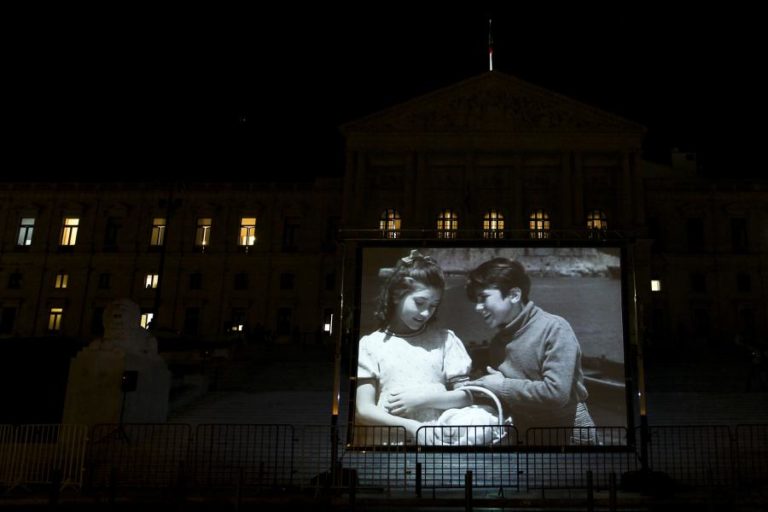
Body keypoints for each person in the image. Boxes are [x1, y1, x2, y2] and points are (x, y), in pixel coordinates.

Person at [355, 250, 500, 445]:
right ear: (397, 296)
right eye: (420, 302)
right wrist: (412, 427)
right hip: (388, 444)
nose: (425, 313)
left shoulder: (445, 340)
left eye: (433, 305)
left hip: (437, 442)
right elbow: (364, 410)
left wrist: (422, 399)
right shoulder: (370, 345)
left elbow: (466, 396)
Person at [465, 257, 596, 444]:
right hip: (526, 433)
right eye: (476, 300)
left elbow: (556, 393)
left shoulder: (555, 328)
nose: (478, 307)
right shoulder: (497, 342)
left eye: (484, 297)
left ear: (514, 295)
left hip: (570, 433)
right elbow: (507, 393)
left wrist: (501, 386)